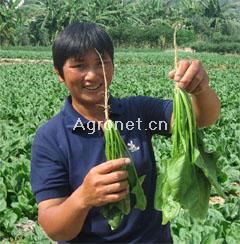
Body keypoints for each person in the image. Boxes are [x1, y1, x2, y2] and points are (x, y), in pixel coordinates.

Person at [30, 22, 220, 243]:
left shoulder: (138, 113)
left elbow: (200, 119)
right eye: (80, 66)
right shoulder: (50, 137)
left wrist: (200, 89)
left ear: (113, 65)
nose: (92, 75)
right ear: (59, 73)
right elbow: (55, 229)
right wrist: (83, 198)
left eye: (102, 63)